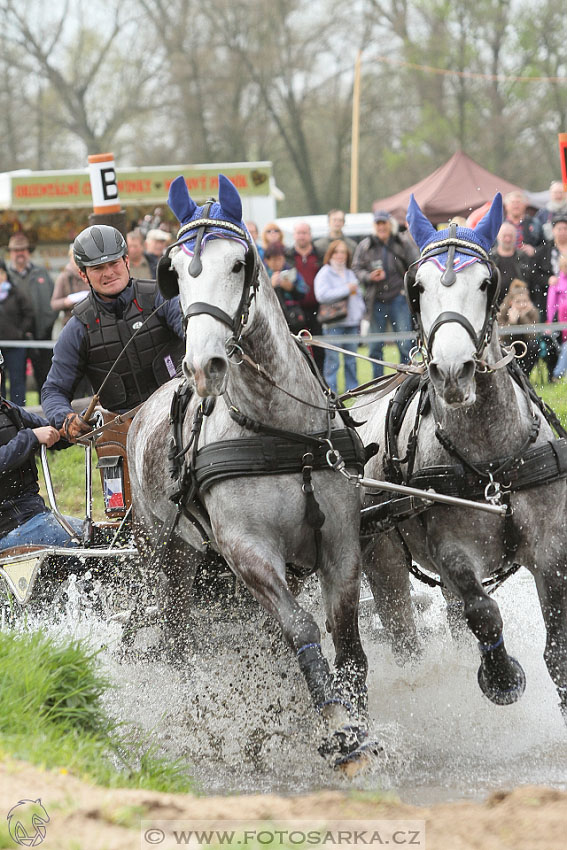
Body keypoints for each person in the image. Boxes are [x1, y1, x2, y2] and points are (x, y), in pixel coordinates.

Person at [41, 224, 184, 517]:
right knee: (122, 512)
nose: (108, 273)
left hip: (180, 413)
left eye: (113, 263)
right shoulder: (77, 326)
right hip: (121, 433)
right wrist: (65, 418)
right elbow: (53, 390)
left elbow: (193, 332)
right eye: (97, 268)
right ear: (83, 274)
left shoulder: (162, 296)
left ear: (127, 260)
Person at [0, 348, 83, 552]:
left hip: (32, 515)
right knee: (79, 541)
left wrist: (73, 428)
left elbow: (49, 430)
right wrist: (31, 437)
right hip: (7, 528)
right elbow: (34, 435)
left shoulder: (8, 409)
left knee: (97, 536)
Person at [352, 210, 415, 378]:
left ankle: (405, 380)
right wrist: (369, 276)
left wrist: (406, 286)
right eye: (378, 224)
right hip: (375, 300)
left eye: (384, 223)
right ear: (374, 226)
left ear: (390, 224)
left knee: (405, 344)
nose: (381, 227)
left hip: (399, 298)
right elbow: (356, 269)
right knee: (374, 346)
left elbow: (415, 266)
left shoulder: (402, 243)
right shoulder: (365, 245)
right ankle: (378, 382)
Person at [7, 232, 56, 394]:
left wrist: (47, 326)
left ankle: (47, 415)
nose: (20, 253)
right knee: (16, 380)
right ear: (10, 253)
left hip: (42, 335)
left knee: (46, 379)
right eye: (16, 250)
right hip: (15, 338)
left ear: (28, 251)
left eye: (23, 249)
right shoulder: (5, 276)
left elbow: (53, 301)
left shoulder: (41, 273)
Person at [314, 240, 365, 394]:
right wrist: (346, 289)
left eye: (343, 252)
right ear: (330, 254)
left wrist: (360, 313)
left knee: (351, 360)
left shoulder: (350, 273)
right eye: (336, 252)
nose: (340, 255)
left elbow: (357, 296)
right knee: (333, 361)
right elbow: (321, 296)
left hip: (351, 322)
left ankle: (353, 390)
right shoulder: (324, 272)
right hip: (333, 323)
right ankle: (331, 392)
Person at [285, 222, 324, 369]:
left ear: (310, 235)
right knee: (296, 349)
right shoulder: (287, 255)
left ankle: (321, 382)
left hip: (317, 309)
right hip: (294, 310)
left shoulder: (320, 254)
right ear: (294, 235)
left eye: (304, 233)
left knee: (319, 349)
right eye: (299, 233)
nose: (301, 236)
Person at [0, 259, 34, 406]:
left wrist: (20, 332)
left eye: (1, 273)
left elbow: (29, 314)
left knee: (17, 381)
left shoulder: (16, 292)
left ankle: (19, 413)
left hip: (15, 346)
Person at [497, 280, 540, 377]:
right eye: (518, 302)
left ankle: (524, 375)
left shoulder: (532, 312)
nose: (522, 305)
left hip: (526, 344)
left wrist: (523, 317)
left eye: (525, 301)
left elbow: (532, 336)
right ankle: (512, 375)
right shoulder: (503, 311)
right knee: (503, 347)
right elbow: (501, 337)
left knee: (534, 345)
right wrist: (511, 322)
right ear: (511, 302)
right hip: (509, 344)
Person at [263, 242, 307, 333]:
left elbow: (304, 291)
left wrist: (291, 288)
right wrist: (270, 286)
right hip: (270, 317)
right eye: (274, 260)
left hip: (292, 317)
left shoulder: (291, 271)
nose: (278, 263)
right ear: (267, 260)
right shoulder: (262, 274)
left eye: (280, 259)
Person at [490, 221, 531, 302]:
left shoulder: (523, 257)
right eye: (504, 236)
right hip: (494, 304)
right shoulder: (490, 258)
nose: (508, 239)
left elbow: (530, 281)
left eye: (510, 236)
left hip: (519, 304)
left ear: (516, 237)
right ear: (498, 236)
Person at [50, 245, 90, 327]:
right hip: (71, 322)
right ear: (70, 258)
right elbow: (54, 304)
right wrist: (66, 301)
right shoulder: (64, 277)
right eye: (74, 256)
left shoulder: (90, 273)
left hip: (91, 321)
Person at [503, 190, 544, 259]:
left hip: (528, 263)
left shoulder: (535, 223)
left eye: (518, 202)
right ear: (506, 206)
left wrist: (535, 250)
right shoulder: (499, 224)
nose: (516, 205)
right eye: (513, 202)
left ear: (525, 205)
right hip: (503, 263)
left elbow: (544, 245)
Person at [546, 254, 567, 382]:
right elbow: (551, 306)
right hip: (560, 323)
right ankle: (557, 374)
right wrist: (550, 322)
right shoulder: (556, 283)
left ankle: (558, 374)